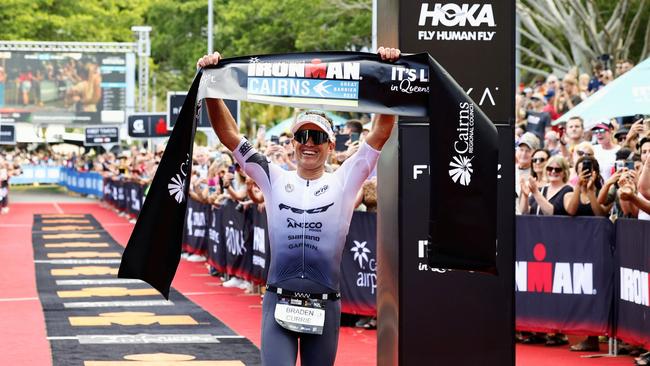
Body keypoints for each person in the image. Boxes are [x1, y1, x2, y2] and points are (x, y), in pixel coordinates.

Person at [198, 46, 400, 366]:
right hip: (279, 301)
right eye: (302, 135)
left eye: (317, 137)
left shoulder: (345, 180)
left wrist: (388, 74)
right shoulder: (272, 176)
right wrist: (210, 85)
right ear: (292, 142)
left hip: (325, 306)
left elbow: (380, 132)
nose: (309, 143)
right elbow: (230, 136)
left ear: (330, 146)